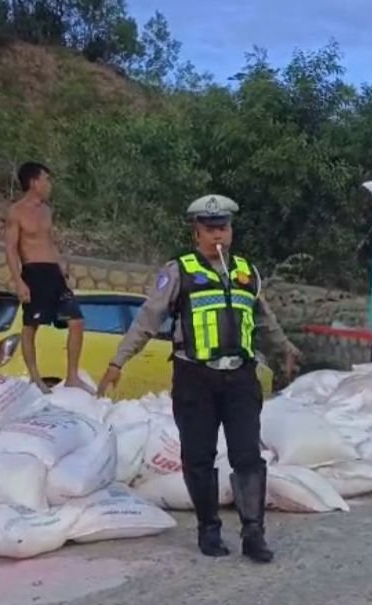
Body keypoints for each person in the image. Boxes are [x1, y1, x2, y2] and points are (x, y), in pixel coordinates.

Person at [97, 194, 300, 564]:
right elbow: (147, 320)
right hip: (195, 379)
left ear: (231, 231)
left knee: (247, 457)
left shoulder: (245, 273)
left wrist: (285, 348)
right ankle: (209, 530)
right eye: (209, 230)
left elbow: (264, 318)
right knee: (198, 457)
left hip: (240, 378)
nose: (217, 236)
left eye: (222, 228)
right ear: (196, 233)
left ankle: (254, 534)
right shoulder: (178, 272)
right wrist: (118, 361)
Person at [4, 161, 88, 394]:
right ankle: (35, 377)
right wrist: (18, 281)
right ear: (33, 182)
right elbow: (11, 249)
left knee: (77, 321)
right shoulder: (16, 212)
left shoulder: (47, 211)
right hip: (33, 272)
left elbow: (49, 242)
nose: (49, 185)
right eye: (46, 179)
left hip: (54, 273)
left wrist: (61, 264)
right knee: (31, 326)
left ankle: (72, 376)